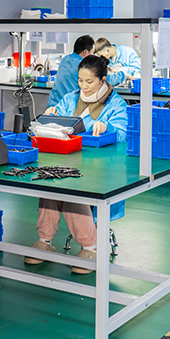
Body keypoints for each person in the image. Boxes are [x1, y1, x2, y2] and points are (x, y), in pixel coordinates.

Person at [25, 55, 128, 274]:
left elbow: (123, 135)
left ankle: (91, 247)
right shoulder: (70, 98)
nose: (84, 86)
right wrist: (51, 116)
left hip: (101, 166)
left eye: (89, 81)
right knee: (49, 186)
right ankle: (45, 240)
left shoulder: (116, 104)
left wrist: (107, 127)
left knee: (74, 190)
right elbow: (60, 127)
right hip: (67, 158)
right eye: (80, 80)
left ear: (102, 79)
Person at [48, 35, 93, 108]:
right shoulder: (83, 66)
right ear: (85, 52)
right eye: (91, 53)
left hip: (53, 105)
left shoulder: (65, 59)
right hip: (69, 108)